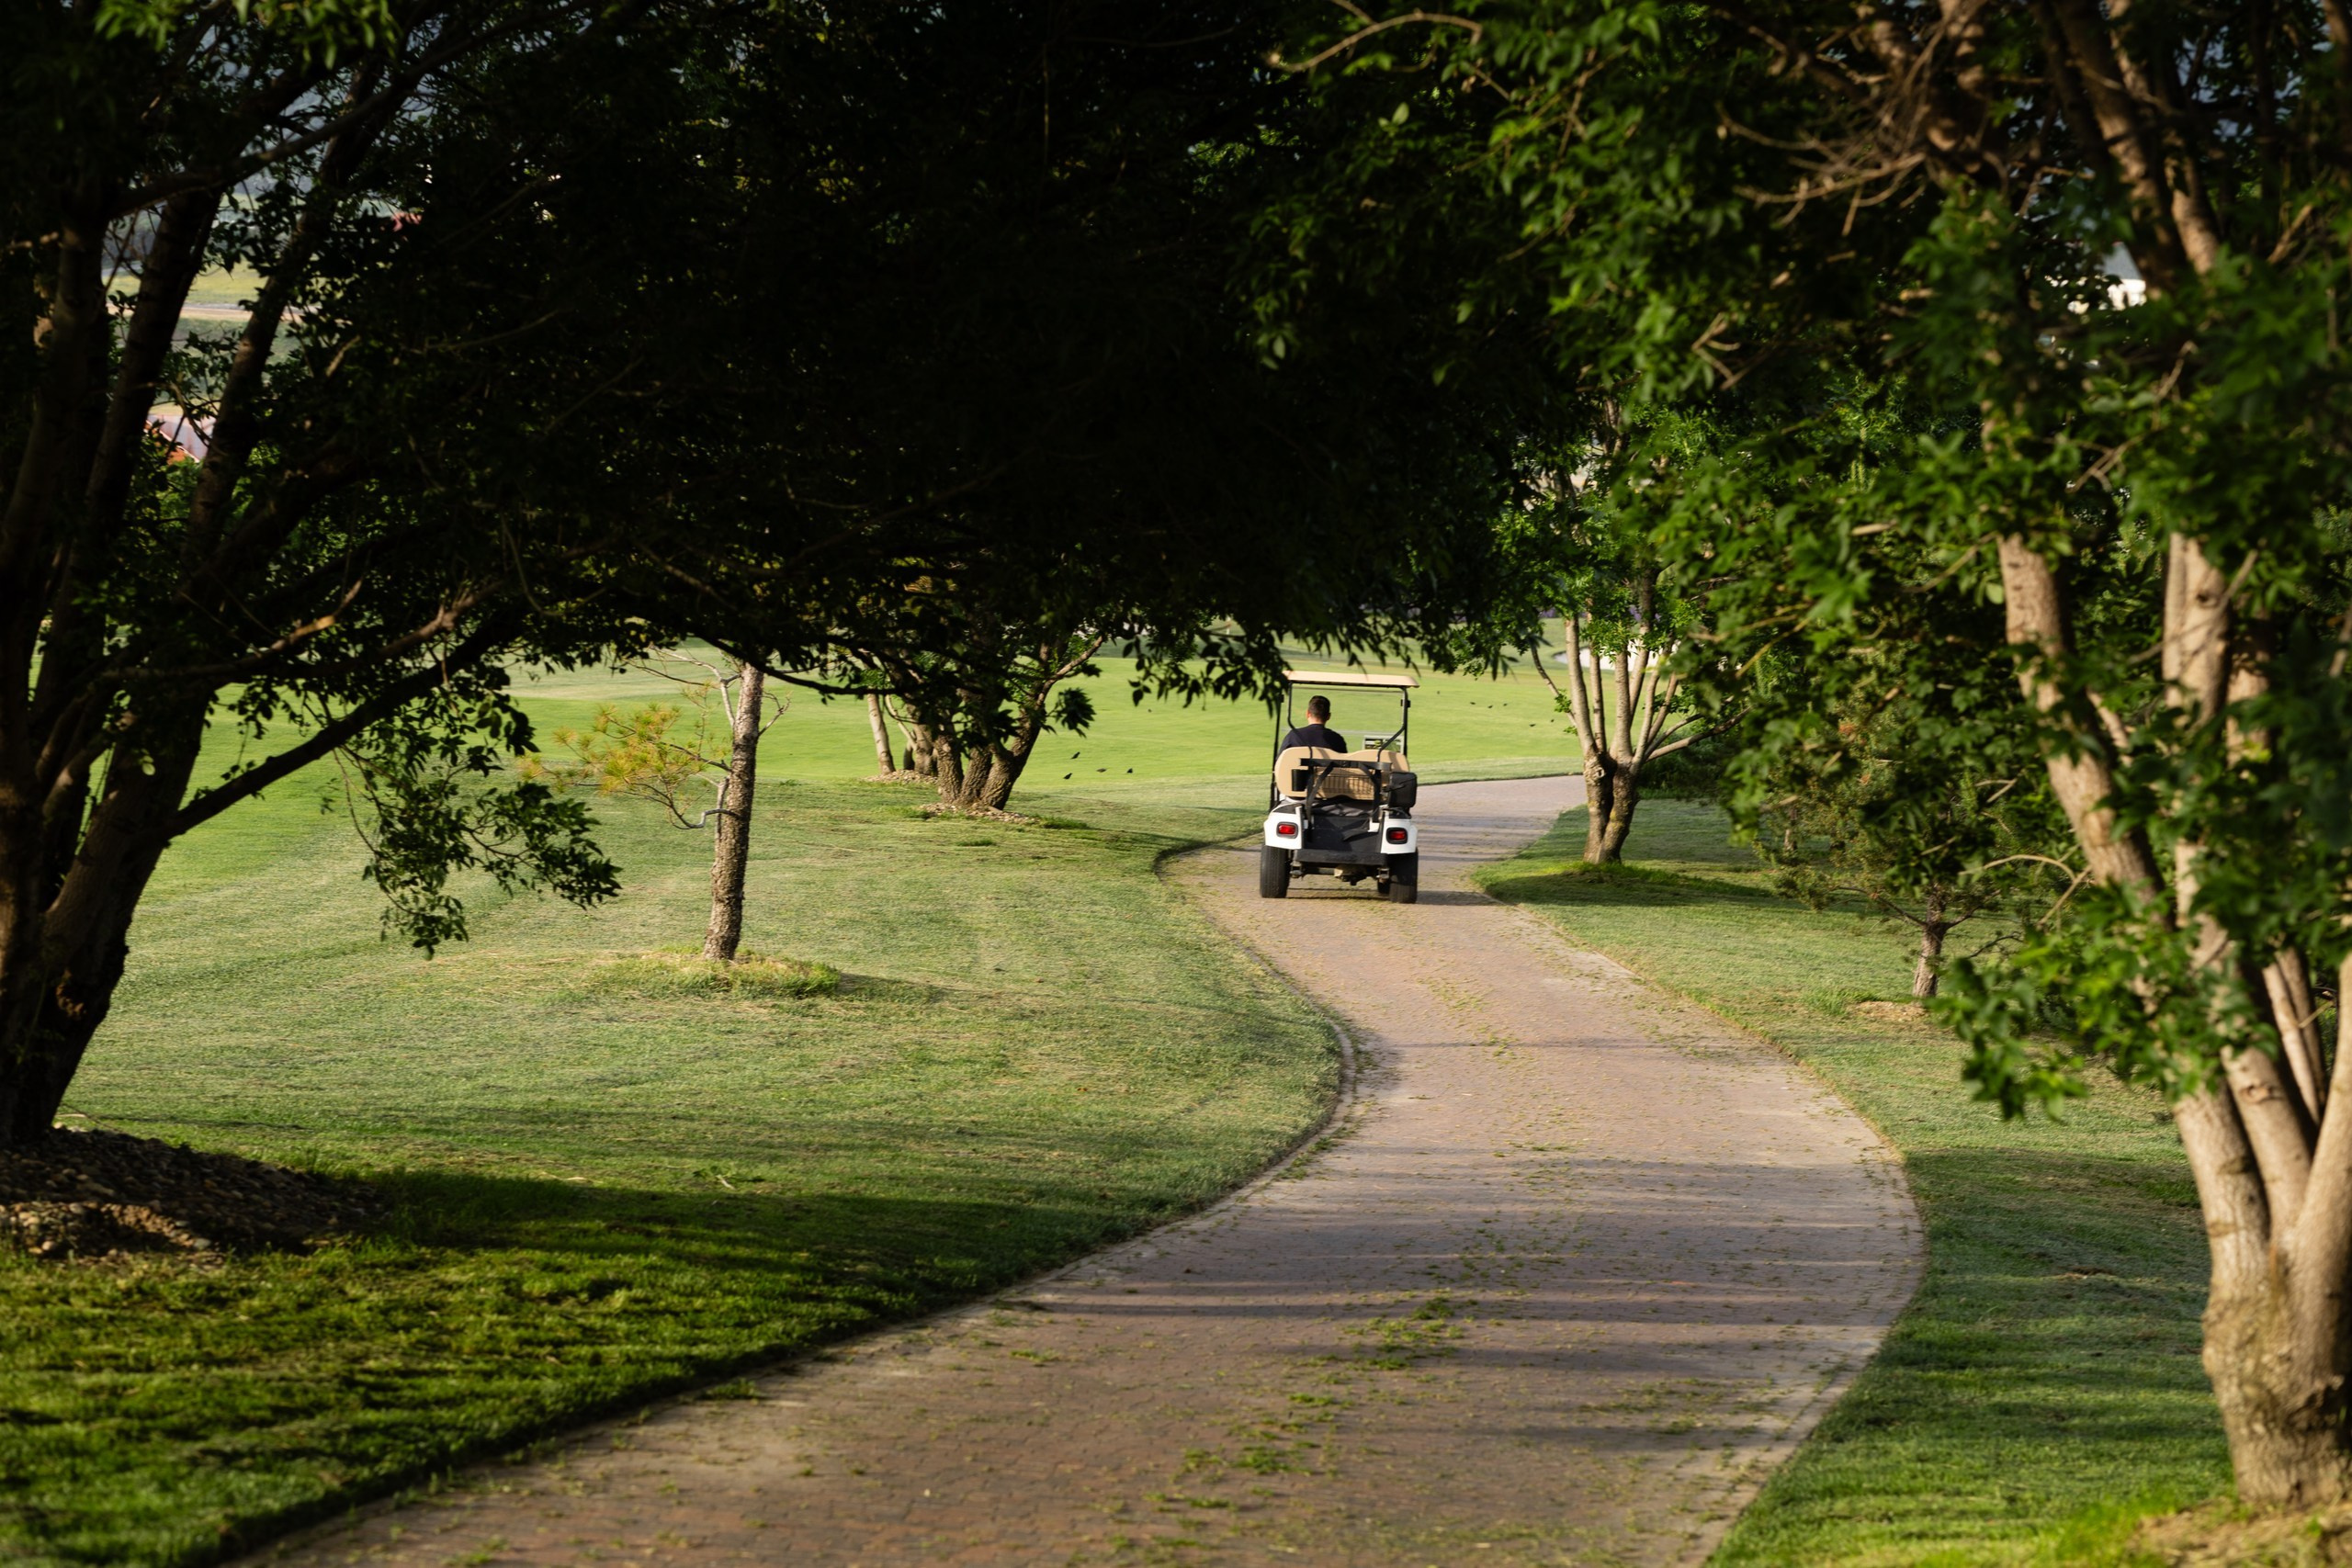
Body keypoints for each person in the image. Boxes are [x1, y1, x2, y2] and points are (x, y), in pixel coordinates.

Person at [1281, 695, 1347, 752]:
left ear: (1307, 714)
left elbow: (1279, 763)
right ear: (1328, 716)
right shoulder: (1337, 740)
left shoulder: (1294, 736)